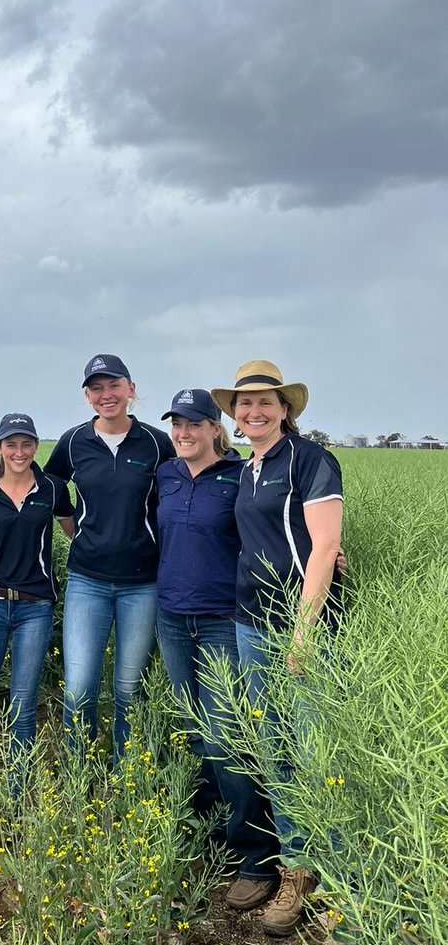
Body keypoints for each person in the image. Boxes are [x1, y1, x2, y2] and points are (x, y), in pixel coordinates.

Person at [211, 359, 343, 938]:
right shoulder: (249, 468)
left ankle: (339, 883)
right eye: (244, 404)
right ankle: (295, 869)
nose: (254, 412)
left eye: (266, 402)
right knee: (274, 749)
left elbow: (324, 546)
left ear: (285, 409)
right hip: (249, 623)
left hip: (299, 628)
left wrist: (305, 630)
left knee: (317, 752)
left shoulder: (311, 461)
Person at [155, 388, 280, 912]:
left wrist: (329, 549)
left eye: (193, 424)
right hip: (171, 615)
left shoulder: (237, 475)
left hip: (224, 619)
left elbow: (272, 524)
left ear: (215, 428)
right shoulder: (163, 474)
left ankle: (255, 855)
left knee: (228, 737)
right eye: (176, 425)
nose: (183, 433)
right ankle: (211, 834)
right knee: (192, 730)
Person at [43, 354, 175, 758]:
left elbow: (190, 486)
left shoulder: (156, 442)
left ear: (131, 389)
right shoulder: (73, 441)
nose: (106, 395)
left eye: (114, 385)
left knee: (128, 686)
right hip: (88, 580)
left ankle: (125, 769)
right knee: (80, 684)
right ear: (87, 397)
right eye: (96, 388)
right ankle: (79, 768)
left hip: (143, 583)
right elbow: (46, 486)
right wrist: (75, 530)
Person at [0, 414, 75, 791]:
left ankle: (17, 787)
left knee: (22, 703)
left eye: (26, 443)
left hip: (36, 606)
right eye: (11, 444)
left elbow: (74, 530)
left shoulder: (51, 488)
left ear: (35, 446)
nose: (19, 451)